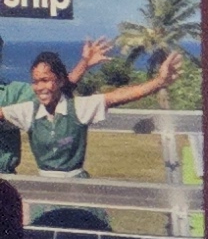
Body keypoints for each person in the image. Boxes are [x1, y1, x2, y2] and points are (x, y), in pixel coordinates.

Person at [6, 40, 176, 177]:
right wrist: (85, 63)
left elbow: (117, 96)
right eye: (35, 82)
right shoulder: (28, 111)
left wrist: (158, 82)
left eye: (45, 80)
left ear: (59, 81)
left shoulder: (79, 108)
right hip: (46, 190)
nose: (40, 87)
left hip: (77, 187)